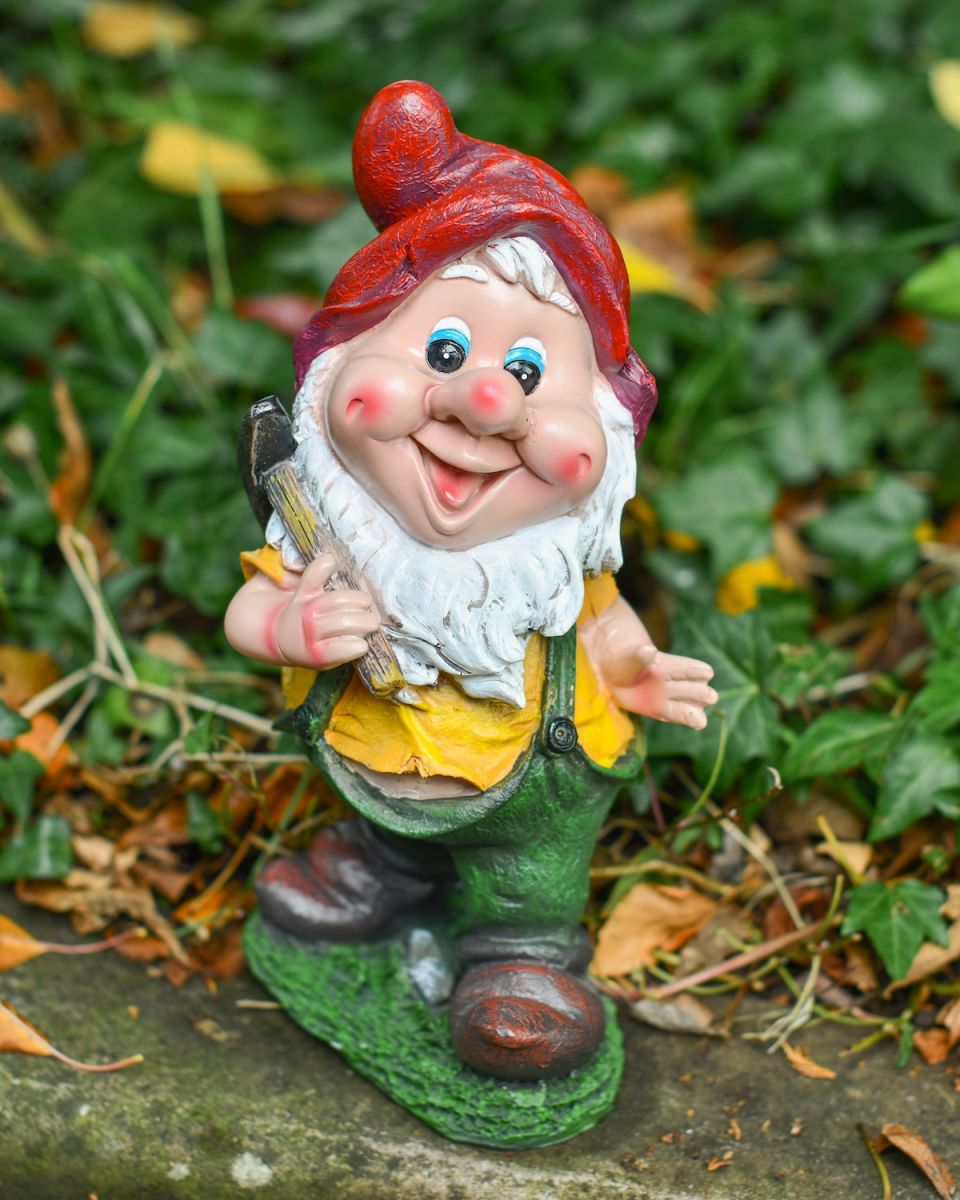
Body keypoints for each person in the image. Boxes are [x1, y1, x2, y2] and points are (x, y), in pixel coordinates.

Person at [225, 81, 716, 1082]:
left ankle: (522, 959)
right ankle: (386, 866)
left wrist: (637, 669)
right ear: (340, 370)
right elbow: (250, 606)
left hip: (526, 795)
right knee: (382, 817)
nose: (486, 401)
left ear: (607, 434)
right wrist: (289, 628)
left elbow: (607, 623)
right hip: (377, 757)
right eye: (443, 349)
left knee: (526, 875)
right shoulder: (326, 534)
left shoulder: (550, 569)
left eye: (534, 374)